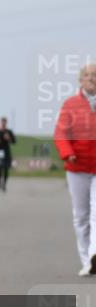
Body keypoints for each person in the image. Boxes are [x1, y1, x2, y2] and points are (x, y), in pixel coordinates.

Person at [54, 63, 96, 276]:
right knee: (81, 216)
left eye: (95, 75)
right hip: (76, 166)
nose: (91, 78)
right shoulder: (70, 104)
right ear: (81, 81)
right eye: (87, 75)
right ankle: (87, 261)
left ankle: (94, 253)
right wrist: (67, 152)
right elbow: (61, 133)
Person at [0, 116, 17, 192]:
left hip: (6, 151)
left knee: (6, 168)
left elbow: (14, 142)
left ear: (6, 123)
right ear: (0, 122)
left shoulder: (9, 131)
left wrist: (9, 139)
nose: (3, 123)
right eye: (2, 122)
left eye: (4, 122)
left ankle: (4, 184)